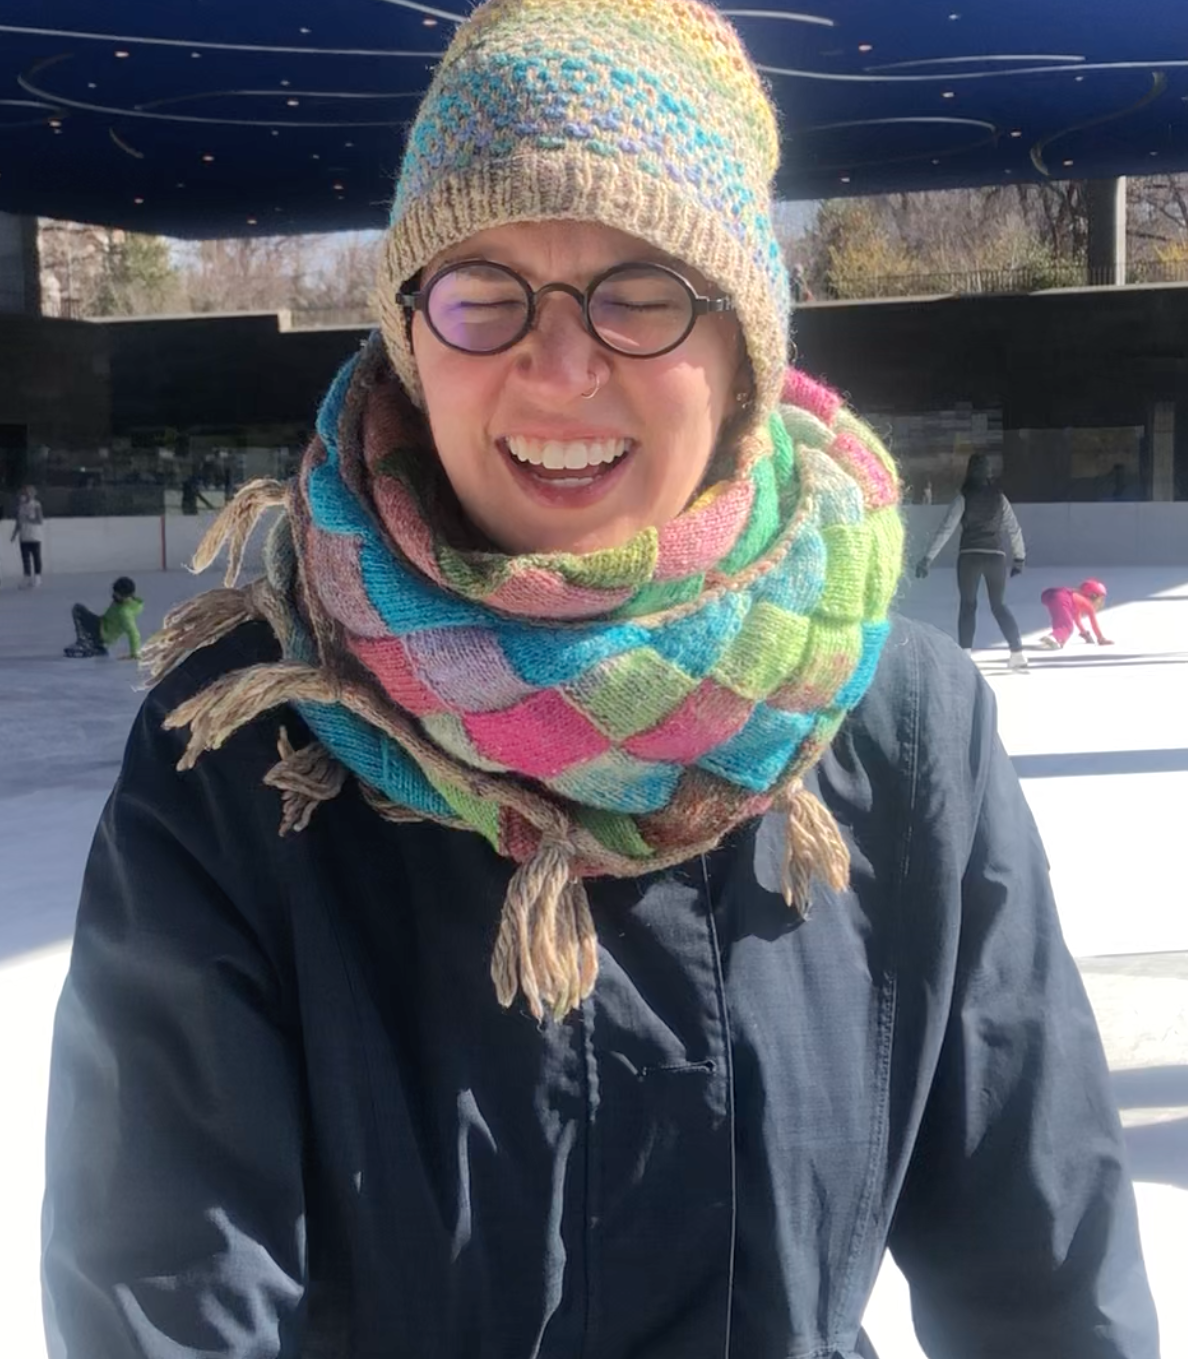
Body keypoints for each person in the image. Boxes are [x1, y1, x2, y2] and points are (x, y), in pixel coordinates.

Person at [42, 3, 1157, 1357]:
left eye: (641, 290)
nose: (559, 367)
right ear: (408, 331)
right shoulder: (245, 740)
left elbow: (1044, 1276)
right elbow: (164, 1298)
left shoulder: (902, 729)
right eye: (482, 290)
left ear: (742, 346)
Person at [914, 452, 1029, 669]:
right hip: (996, 557)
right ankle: (1017, 653)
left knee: (968, 605)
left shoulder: (964, 496)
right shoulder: (999, 497)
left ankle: (966, 655)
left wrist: (928, 558)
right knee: (999, 605)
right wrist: (1019, 557)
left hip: (970, 557)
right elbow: (1013, 528)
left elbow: (946, 528)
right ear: (989, 472)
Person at [63, 576, 143, 659]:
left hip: (101, 633)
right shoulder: (126, 603)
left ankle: (85, 643)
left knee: (78, 609)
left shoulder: (125, 613)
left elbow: (134, 634)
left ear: (124, 596)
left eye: (117, 594)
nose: (114, 595)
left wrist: (135, 654)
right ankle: (97, 646)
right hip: (103, 627)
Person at [1040, 578, 1114, 649]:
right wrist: (1101, 638)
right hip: (1062, 597)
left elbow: (1078, 621)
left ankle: (1056, 637)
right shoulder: (1087, 604)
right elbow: (1094, 623)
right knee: (1068, 626)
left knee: (1061, 621)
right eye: (1100, 600)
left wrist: (1085, 634)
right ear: (1093, 596)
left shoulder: (1076, 601)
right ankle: (1054, 637)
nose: (1100, 603)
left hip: (1050, 594)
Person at [11, 483, 45, 587]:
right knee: (25, 558)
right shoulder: (20, 507)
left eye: (27, 493)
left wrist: (28, 519)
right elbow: (18, 521)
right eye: (24, 493)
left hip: (34, 535)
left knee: (36, 557)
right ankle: (27, 576)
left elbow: (39, 520)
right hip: (24, 536)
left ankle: (37, 577)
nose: (24, 495)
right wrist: (14, 534)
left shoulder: (36, 505)